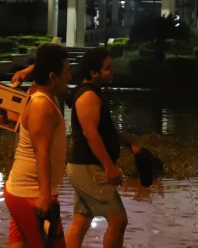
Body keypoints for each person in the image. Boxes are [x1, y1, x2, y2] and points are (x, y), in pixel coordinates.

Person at [64, 46, 140, 248]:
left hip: (82, 167)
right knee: (118, 220)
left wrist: (130, 146)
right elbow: (91, 133)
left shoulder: (90, 93)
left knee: (81, 219)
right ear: (93, 72)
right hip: (89, 167)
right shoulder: (88, 96)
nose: (112, 71)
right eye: (107, 68)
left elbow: (105, 131)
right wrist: (109, 166)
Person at [4, 43, 71, 248]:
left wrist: (27, 69)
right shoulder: (41, 105)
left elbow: (44, 62)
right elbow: (41, 152)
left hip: (22, 189)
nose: (70, 76)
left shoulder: (39, 92)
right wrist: (44, 196)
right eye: (67, 72)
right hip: (31, 193)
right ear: (53, 77)